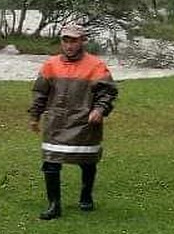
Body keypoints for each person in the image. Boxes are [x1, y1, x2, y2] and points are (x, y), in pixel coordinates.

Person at [28, 23, 118, 219]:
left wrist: (99, 109)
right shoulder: (50, 64)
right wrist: (35, 116)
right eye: (65, 40)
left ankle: (86, 195)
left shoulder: (96, 65)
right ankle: (54, 204)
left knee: (87, 161)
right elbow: (40, 93)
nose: (69, 45)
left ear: (82, 41)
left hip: (85, 122)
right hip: (56, 123)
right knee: (51, 162)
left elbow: (108, 92)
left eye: (73, 41)